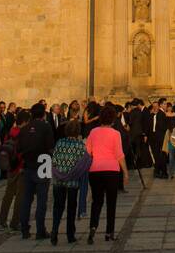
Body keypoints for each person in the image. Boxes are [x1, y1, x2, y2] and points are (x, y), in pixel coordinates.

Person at [85, 104, 128, 243]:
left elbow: (87, 152)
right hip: (111, 171)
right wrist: (125, 172)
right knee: (111, 202)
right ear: (113, 119)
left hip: (95, 170)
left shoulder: (93, 132)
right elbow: (119, 155)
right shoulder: (116, 134)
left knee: (97, 201)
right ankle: (109, 232)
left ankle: (93, 227)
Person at [50, 119, 91, 245]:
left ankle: (54, 231)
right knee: (71, 208)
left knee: (57, 207)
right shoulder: (80, 145)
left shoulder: (60, 143)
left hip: (58, 181)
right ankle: (70, 234)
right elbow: (84, 164)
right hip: (72, 182)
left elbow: (54, 160)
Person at [18, 102, 55, 239]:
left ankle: (24, 229)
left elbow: (19, 148)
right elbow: (51, 146)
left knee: (26, 199)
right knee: (41, 200)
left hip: (28, 165)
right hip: (43, 165)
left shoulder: (24, 129)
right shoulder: (46, 127)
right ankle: (40, 230)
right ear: (44, 113)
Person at [0, 109, 29, 230]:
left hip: (11, 167)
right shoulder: (23, 133)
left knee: (8, 195)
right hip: (20, 168)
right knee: (20, 196)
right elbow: (23, 152)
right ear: (25, 122)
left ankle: (1, 221)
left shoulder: (11, 132)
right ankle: (15, 222)